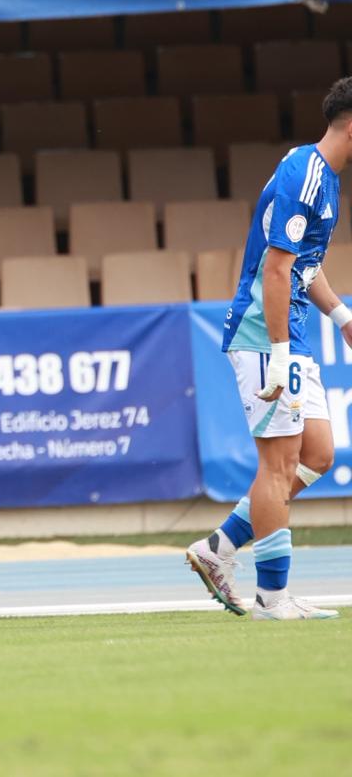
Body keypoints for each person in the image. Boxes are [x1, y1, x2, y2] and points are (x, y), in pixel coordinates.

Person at [185, 77, 352, 620]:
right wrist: (279, 352)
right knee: (277, 466)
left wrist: (342, 316)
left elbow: (305, 266)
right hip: (265, 333)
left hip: (289, 332)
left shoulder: (324, 178)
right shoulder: (305, 174)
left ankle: (219, 548)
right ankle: (272, 599)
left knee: (317, 455)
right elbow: (276, 269)